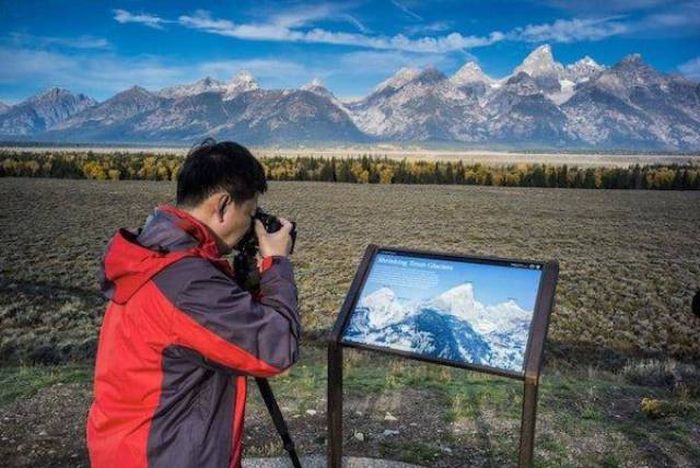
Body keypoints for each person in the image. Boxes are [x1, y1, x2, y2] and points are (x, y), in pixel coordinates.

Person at [86, 139, 300, 468]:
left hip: (130, 444)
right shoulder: (187, 281)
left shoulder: (155, 250)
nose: (250, 225)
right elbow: (277, 348)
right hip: (163, 455)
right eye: (250, 213)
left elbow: (220, 331)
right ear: (223, 206)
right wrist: (277, 264)